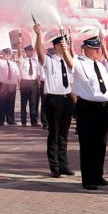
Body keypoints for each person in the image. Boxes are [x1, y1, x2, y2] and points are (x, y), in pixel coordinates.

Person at [72, 36, 108, 190]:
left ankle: (98, 176)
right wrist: (67, 47)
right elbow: (69, 59)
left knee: (101, 144)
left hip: (102, 107)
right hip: (87, 107)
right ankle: (88, 179)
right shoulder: (79, 63)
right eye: (94, 48)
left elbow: (106, 88)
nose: (98, 51)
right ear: (84, 48)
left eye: (98, 48)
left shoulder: (101, 66)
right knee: (88, 144)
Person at [34, 25, 76, 178]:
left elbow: (70, 82)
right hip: (53, 99)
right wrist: (38, 35)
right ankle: (55, 166)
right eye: (63, 43)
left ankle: (64, 164)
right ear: (57, 45)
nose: (64, 45)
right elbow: (39, 53)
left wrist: (74, 99)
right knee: (54, 133)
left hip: (66, 99)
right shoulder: (50, 60)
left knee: (64, 134)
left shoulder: (68, 61)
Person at [0, 44, 20, 126]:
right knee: (1, 102)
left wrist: (19, 84)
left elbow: (17, 74)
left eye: (9, 53)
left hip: (12, 85)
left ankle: (10, 120)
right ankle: (1, 120)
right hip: (2, 84)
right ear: (3, 54)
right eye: (6, 53)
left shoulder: (13, 64)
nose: (7, 55)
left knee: (11, 103)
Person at [19, 45, 41, 127]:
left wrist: (38, 83)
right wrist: (19, 44)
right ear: (26, 51)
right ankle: (23, 121)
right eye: (29, 51)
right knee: (24, 103)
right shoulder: (22, 60)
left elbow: (38, 74)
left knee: (33, 103)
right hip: (25, 82)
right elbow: (19, 54)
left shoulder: (36, 62)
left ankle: (34, 121)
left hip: (34, 83)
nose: (31, 52)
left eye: (32, 51)